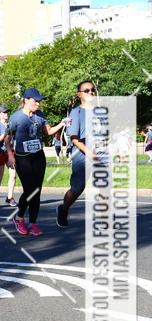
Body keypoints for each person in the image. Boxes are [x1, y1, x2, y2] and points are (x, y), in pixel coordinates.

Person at [6, 88, 68, 236]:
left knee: (37, 191)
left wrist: (62, 123)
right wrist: (10, 156)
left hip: (38, 156)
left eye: (39, 101)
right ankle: (19, 218)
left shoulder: (40, 115)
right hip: (22, 157)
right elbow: (7, 139)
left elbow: (49, 131)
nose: (38, 104)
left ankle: (33, 223)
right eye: (35, 101)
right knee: (30, 190)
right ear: (26, 100)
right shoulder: (15, 118)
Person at [56, 81, 99, 228]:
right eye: (86, 91)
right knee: (77, 189)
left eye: (92, 90)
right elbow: (74, 139)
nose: (91, 93)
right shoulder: (76, 112)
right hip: (82, 156)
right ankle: (63, 209)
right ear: (79, 94)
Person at [0, 105, 16, 207]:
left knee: (13, 175)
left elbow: (13, 138)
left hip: (10, 152)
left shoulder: (10, 124)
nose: (7, 114)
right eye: (4, 112)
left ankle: (10, 197)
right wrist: (4, 133)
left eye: (7, 112)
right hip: (0, 152)